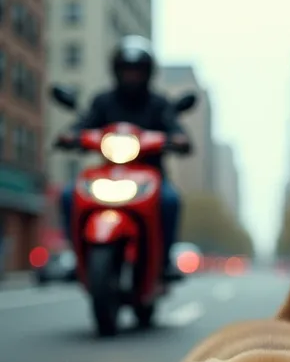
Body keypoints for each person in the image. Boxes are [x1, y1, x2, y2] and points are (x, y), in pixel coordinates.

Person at [57, 35, 193, 281]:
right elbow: (83, 123)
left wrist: (179, 139)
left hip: (150, 177)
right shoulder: (102, 101)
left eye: (137, 71)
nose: (132, 76)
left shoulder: (159, 104)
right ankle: (76, 256)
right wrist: (69, 135)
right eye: (127, 70)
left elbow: (176, 130)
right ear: (117, 71)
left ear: (147, 73)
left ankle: (164, 261)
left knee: (170, 200)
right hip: (108, 175)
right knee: (68, 195)